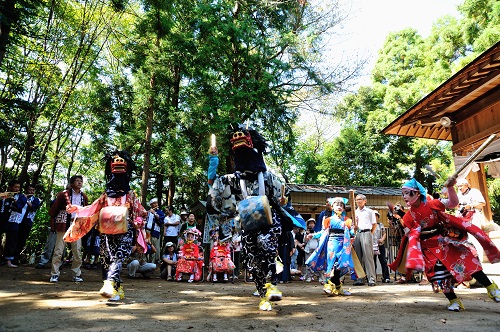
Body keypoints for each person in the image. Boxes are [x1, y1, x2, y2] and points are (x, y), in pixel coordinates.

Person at [206, 125, 291, 311]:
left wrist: (284, 199)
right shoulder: (232, 180)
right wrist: (213, 161)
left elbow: (282, 195)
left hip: (269, 219)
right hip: (246, 222)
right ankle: (263, 296)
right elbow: (214, 189)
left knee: (265, 242)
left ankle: (272, 282)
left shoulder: (268, 177)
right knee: (253, 260)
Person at [389, 177, 500, 311]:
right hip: (428, 248)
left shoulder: (432, 204)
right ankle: (454, 301)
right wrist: (399, 219)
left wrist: (450, 187)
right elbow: (408, 234)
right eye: (403, 194)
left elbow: (453, 203)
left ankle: (492, 289)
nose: (405, 197)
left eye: (408, 193)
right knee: (440, 276)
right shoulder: (408, 216)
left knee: (468, 263)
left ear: (418, 193)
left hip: (444, 242)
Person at [64, 151, 146, 301]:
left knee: (118, 257)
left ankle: (109, 283)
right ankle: (117, 288)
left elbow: (141, 213)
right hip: (106, 232)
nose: (118, 161)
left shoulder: (131, 195)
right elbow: (93, 208)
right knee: (107, 259)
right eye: (115, 160)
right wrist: (77, 208)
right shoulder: (105, 195)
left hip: (125, 231)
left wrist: (138, 222)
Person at [306, 197, 357, 296]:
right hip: (332, 243)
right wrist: (313, 235)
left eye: (341, 206)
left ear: (344, 208)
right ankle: (329, 284)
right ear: (332, 207)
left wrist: (355, 229)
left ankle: (337, 285)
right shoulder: (328, 220)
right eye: (337, 205)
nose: (339, 207)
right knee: (331, 264)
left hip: (343, 245)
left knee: (339, 265)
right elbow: (323, 232)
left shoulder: (348, 220)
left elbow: (351, 233)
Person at [49, 176, 88, 282]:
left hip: (76, 226)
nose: (79, 182)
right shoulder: (64, 194)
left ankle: (76, 273)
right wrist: (53, 224)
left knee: (77, 250)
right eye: (77, 181)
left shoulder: (83, 196)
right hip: (63, 224)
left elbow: (85, 211)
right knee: (59, 250)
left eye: (81, 181)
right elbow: (54, 209)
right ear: (71, 183)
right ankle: (54, 273)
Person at [456, 178, 487, 262]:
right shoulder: (459, 194)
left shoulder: (474, 192)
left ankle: (479, 260)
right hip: (462, 218)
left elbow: (483, 203)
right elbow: (456, 206)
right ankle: (470, 259)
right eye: (458, 186)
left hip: (474, 216)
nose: (459, 188)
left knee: (476, 238)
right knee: (464, 239)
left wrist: (470, 206)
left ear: (466, 185)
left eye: (461, 186)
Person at [0, 179, 27, 267]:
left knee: (11, 240)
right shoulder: (4, 195)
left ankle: (9, 260)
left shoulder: (22, 196)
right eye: (15, 187)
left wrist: (14, 200)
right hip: (3, 219)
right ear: (10, 187)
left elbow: (20, 206)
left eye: (18, 187)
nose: (17, 189)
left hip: (14, 220)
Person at [353, 194, 377, 286]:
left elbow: (374, 224)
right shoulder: (355, 212)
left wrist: (370, 233)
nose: (358, 201)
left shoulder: (370, 211)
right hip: (357, 233)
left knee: (368, 256)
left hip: (367, 232)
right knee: (358, 257)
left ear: (365, 201)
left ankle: (371, 279)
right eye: (357, 200)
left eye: (360, 199)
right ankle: (360, 278)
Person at [14, 184, 41, 264]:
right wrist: (23, 198)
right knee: (13, 238)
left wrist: (26, 200)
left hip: (27, 222)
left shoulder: (35, 199)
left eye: (33, 190)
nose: (31, 192)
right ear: (26, 190)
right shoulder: (20, 196)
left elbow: (34, 207)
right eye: (30, 190)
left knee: (22, 240)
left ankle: (16, 257)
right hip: (17, 220)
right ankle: (9, 256)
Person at [372, 210, 390, 283]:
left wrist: (382, 239)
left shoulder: (380, 225)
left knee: (383, 261)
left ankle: (386, 277)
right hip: (372, 245)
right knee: (373, 262)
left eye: (376, 216)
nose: (375, 217)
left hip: (380, 245)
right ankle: (373, 277)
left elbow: (384, 233)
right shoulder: (369, 225)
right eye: (374, 216)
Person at [145, 198, 164, 263]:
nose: (155, 204)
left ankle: (153, 262)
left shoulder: (160, 212)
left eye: (156, 203)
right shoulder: (148, 212)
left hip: (154, 232)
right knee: (147, 245)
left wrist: (155, 213)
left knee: (154, 247)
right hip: (147, 231)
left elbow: (161, 221)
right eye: (153, 204)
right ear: (151, 205)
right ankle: (146, 261)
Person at [303, 218, 320, 282]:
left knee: (316, 263)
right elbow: (304, 241)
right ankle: (309, 276)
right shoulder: (306, 232)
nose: (311, 225)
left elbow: (320, 240)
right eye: (309, 223)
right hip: (308, 249)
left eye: (312, 223)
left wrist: (314, 235)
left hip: (316, 250)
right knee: (308, 263)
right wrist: (307, 235)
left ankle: (318, 276)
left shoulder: (317, 232)